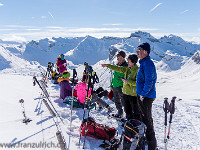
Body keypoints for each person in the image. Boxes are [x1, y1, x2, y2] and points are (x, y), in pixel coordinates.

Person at [101, 54, 139, 120]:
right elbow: (117, 68)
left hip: (133, 95)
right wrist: (107, 65)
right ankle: (128, 123)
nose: (127, 63)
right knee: (127, 111)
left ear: (133, 62)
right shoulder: (128, 69)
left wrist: (127, 81)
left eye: (129, 61)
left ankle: (134, 125)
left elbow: (138, 83)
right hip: (126, 93)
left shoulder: (137, 71)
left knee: (134, 112)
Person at [136, 42, 157, 150]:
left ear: (145, 52)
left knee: (147, 120)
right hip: (143, 96)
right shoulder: (144, 62)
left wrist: (143, 94)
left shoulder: (148, 63)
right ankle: (146, 142)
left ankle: (152, 146)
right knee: (144, 119)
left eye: (139, 49)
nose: (137, 51)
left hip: (146, 97)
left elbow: (150, 81)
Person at [109, 51, 128, 118]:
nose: (117, 57)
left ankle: (128, 115)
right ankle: (120, 113)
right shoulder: (117, 65)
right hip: (115, 86)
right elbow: (114, 76)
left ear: (123, 57)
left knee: (124, 102)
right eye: (117, 56)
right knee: (116, 101)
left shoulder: (125, 66)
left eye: (119, 56)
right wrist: (111, 85)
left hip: (121, 86)